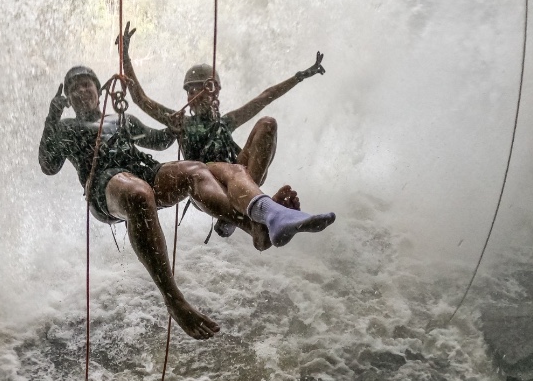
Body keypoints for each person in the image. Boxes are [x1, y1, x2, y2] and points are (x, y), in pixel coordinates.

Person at [39, 66, 336, 340]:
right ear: (68, 97)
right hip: (106, 183)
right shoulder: (66, 129)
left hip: (144, 169)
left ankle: (257, 228)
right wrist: (51, 118)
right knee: (139, 194)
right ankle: (175, 300)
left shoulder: (123, 119)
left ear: (98, 89)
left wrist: (173, 126)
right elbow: (48, 165)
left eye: (87, 85)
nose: (82, 91)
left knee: (195, 169)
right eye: (74, 88)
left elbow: (159, 142)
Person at [118, 22, 325, 237]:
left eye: (199, 89)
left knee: (267, 123)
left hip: (239, 177)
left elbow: (265, 97)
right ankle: (247, 209)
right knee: (218, 167)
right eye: (189, 91)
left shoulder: (227, 122)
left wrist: (301, 75)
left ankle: (247, 206)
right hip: (206, 187)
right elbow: (140, 99)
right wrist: (125, 56)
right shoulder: (181, 123)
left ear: (214, 92)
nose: (192, 95)